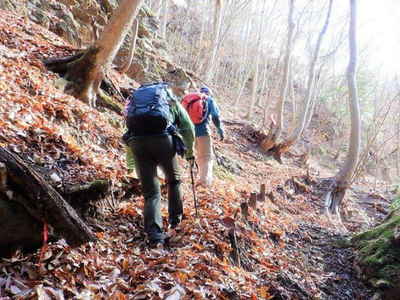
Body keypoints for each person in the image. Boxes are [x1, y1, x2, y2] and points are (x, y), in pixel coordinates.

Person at [124, 83, 195, 247]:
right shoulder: (169, 99)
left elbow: (128, 130)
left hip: (137, 143)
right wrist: (190, 153)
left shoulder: (134, 105)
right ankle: (175, 222)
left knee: (151, 193)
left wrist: (130, 164)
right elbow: (188, 127)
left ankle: (155, 236)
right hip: (163, 141)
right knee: (174, 180)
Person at [183, 86, 224, 187]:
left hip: (188, 133)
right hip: (203, 132)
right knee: (206, 157)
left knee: (193, 155)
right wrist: (220, 129)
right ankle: (203, 184)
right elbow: (215, 116)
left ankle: (190, 179)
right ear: (208, 93)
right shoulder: (209, 100)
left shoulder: (189, 100)